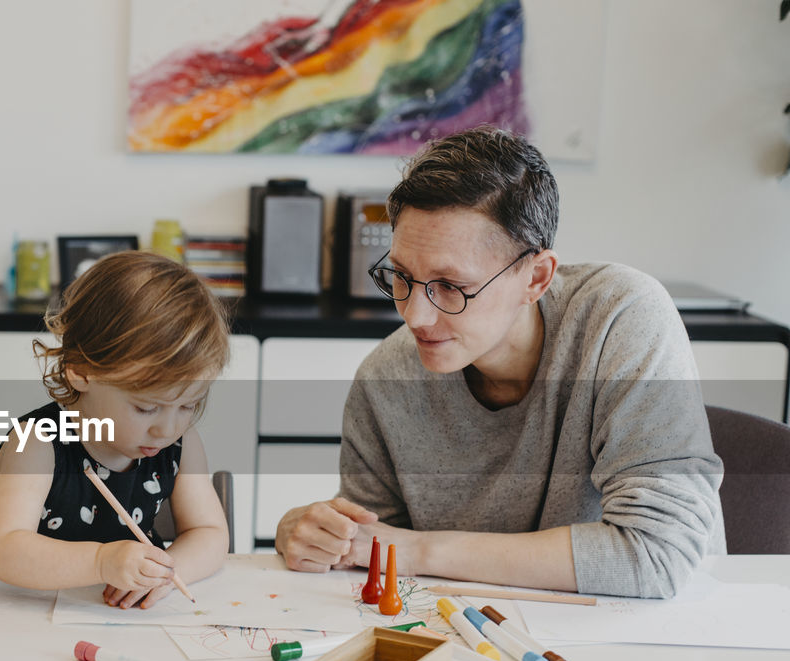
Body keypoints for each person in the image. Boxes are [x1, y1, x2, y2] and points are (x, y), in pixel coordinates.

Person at [276, 126, 724, 599]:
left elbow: (655, 556)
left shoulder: (623, 317)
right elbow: (375, 558)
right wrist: (310, 535)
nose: (415, 315)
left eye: (450, 285)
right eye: (402, 277)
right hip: (481, 636)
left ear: (536, 277)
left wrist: (422, 552)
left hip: (666, 632)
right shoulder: (385, 378)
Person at [0, 250, 231, 608]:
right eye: (146, 407)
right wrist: (101, 562)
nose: (166, 430)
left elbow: (210, 533)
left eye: (187, 405)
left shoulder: (182, 446)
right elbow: (5, 550)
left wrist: (167, 572)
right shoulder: (37, 442)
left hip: (93, 616)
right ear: (81, 370)